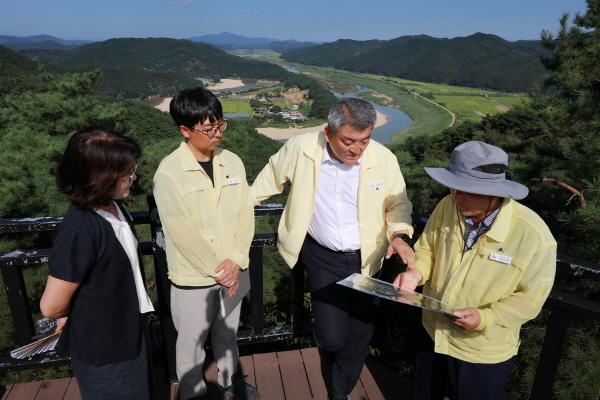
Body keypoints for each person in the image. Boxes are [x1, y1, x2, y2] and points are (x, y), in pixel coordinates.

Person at [252, 97, 414, 399]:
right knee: (332, 336)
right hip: (322, 257)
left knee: (361, 333)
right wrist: (234, 210)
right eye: (349, 141)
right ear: (328, 133)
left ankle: (339, 392)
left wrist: (399, 235)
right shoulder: (301, 148)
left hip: (368, 258)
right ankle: (332, 361)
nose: (357, 149)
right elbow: (267, 181)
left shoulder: (383, 158)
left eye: (364, 141)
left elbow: (398, 203)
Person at [393, 141, 557, 400]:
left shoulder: (533, 235)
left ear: (496, 192)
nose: (456, 196)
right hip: (432, 332)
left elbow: (531, 298)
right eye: (453, 187)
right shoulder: (448, 205)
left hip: (482, 351)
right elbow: (427, 250)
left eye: (467, 191)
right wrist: (417, 273)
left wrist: (485, 319)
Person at [153, 87, 257, 400]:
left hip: (234, 271)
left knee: (228, 336)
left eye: (220, 124)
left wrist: (236, 260)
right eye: (208, 128)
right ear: (185, 130)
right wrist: (221, 270)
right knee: (191, 346)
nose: (217, 133)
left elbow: (245, 214)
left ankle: (230, 384)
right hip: (194, 279)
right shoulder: (169, 173)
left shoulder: (233, 162)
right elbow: (180, 232)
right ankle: (192, 393)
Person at [40, 129, 154, 400]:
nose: (133, 177)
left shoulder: (112, 206)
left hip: (127, 334)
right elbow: (51, 305)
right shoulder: (81, 228)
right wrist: (71, 312)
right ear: (100, 177)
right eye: (125, 171)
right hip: (106, 351)